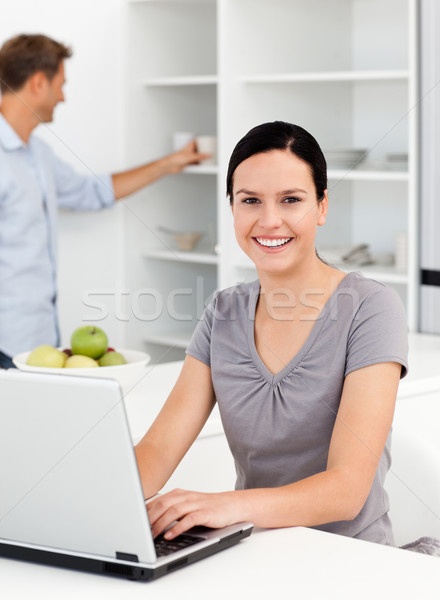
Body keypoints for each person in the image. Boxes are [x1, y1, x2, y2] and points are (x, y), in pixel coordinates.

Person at [135, 121, 409, 546]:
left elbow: (347, 490)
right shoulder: (223, 312)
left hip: (351, 562)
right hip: (254, 551)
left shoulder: (371, 309)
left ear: (321, 207)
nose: (269, 220)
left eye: (291, 200)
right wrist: (96, 497)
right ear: (232, 208)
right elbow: (157, 449)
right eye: (250, 200)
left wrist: (224, 505)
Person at [0, 34, 208, 368]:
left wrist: (169, 164)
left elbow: (94, 192)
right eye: (60, 85)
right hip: (5, 343)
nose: (63, 97)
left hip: (38, 342)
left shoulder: (39, 155)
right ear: (39, 83)